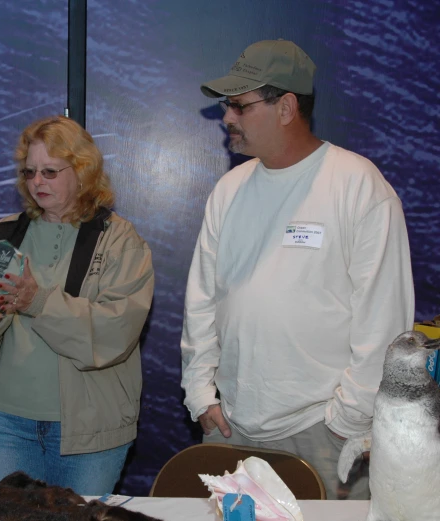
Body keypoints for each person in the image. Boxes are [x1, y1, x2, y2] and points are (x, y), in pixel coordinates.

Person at [180, 39, 414, 500]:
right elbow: (202, 300)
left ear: (286, 107)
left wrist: (345, 421)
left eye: (239, 106)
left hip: (323, 435)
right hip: (232, 428)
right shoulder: (229, 190)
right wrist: (201, 395)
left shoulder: (358, 186)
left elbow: (384, 322)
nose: (228, 118)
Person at [0, 115, 154, 495]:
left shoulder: (120, 241)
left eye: (50, 171)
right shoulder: (2, 235)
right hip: (3, 424)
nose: (37, 182)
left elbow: (115, 334)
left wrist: (36, 301)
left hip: (89, 431)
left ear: (83, 172)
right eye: (30, 172)